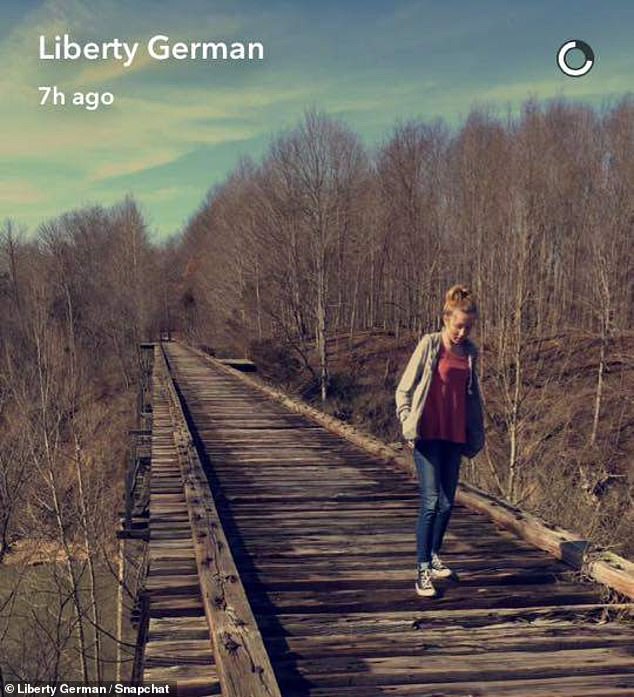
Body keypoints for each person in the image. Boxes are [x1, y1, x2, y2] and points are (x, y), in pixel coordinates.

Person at [395, 285, 485, 597]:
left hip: (454, 436)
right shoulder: (430, 344)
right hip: (427, 434)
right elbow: (404, 389)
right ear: (446, 318)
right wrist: (408, 421)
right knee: (431, 501)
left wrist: (475, 431)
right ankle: (421, 570)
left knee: (447, 503)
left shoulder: (471, 354)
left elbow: (471, 397)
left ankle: (433, 555)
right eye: (458, 325)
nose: (462, 332)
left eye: (468, 327)